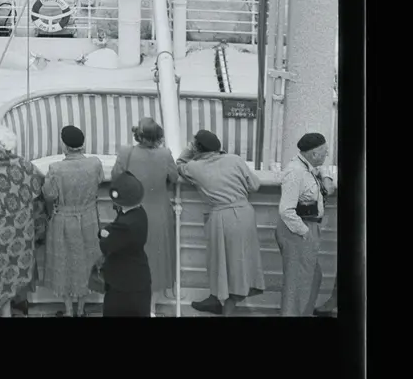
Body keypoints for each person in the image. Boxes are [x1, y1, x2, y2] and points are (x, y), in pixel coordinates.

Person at [176, 130, 265, 315]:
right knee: (240, 262)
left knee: (221, 262)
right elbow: (255, 185)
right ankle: (217, 298)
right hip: (245, 214)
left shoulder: (194, 167)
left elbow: (179, 163)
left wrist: (189, 149)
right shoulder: (235, 160)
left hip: (221, 218)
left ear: (196, 148)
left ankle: (226, 307)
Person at [0, 127, 46, 317]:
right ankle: (20, 303)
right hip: (21, 225)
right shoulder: (23, 165)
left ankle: (5, 311)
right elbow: (38, 187)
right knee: (19, 264)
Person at [112, 118, 178, 311]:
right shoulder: (165, 154)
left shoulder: (126, 152)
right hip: (159, 214)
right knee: (155, 262)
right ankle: (151, 308)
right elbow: (174, 178)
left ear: (137, 135)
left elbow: (116, 176)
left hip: (132, 213)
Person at [42, 125, 103, 317]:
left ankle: (69, 311)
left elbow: (49, 195)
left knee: (64, 264)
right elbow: (100, 180)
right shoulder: (95, 163)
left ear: (64, 145)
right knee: (87, 263)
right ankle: (82, 310)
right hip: (89, 218)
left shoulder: (56, 169)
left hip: (63, 219)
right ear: (82, 144)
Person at [276, 132, 335, 317]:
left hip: (307, 227)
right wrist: (305, 232)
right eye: (324, 152)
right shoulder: (295, 172)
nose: (327, 154)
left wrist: (325, 174)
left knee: (312, 278)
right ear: (314, 154)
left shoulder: (308, 166)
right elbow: (286, 210)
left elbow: (327, 185)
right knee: (296, 284)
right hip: (298, 229)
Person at [98, 171, 151, 317]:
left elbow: (106, 246)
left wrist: (103, 235)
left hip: (124, 285)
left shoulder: (125, 225)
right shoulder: (139, 213)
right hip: (138, 279)